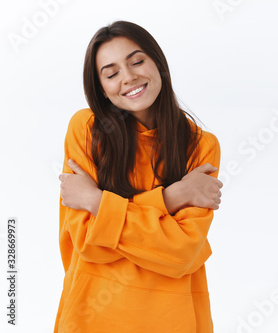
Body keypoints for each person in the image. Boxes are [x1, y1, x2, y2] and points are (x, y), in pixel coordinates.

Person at [54, 20, 223, 333]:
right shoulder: (87, 130)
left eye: (136, 61)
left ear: (157, 63)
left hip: (174, 319)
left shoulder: (201, 145)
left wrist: (96, 202)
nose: (129, 77)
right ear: (101, 89)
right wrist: (173, 197)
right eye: (111, 72)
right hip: (90, 317)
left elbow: (182, 253)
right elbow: (86, 242)